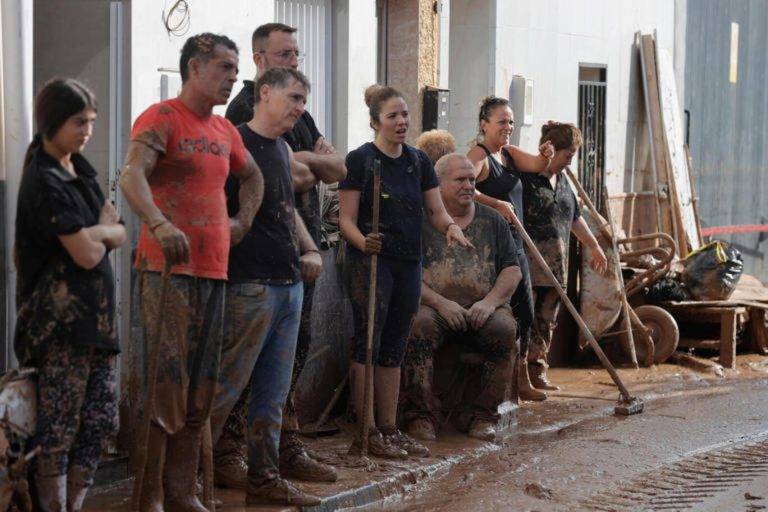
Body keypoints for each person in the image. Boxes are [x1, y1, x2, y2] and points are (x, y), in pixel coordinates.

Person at [119, 33, 264, 512]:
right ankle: (151, 496)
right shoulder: (163, 117)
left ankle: (182, 493)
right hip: (166, 274)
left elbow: (253, 176)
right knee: (165, 385)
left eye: (234, 68)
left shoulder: (226, 131)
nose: (232, 77)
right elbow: (131, 174)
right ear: (195, 68)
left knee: (201, 389)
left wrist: (242, 220)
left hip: (214, 273)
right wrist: (158, 223)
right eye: (224, 67)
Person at [220, 22, 345, 485]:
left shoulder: (296, 115)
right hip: (253, 263)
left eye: (297, 54)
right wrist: (310, 162)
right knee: (242, 364)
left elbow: (334, 168)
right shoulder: (242, 114)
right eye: (286, 54)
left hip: (299, 255)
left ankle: (278, 451)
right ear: (261, 65)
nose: (295, 61)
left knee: (291, 358)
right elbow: (286, 179)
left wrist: (308, 164)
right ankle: (227, 453)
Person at [339, 85, 473, 458]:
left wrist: (451, 228)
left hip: (407, 263)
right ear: (374, 122)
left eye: (405, 115)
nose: (401, 122)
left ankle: (388, 427)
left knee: (395, 343)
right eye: (392, 116)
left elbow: (435, 211)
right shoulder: (360, 161)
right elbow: (345, 219)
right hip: (371, 263)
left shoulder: (418, 162)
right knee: (369, 341)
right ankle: (364, 431)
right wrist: (362, 241)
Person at [210, 67, 322, 507]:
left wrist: (310, 249)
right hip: (248, 286)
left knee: (273, 396)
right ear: (265, 92)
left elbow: (285, 206)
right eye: (293, 98)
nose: (299, 108)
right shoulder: (232, 140)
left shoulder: (279, 148)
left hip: (288, 284)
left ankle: (264, 478)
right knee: (222, 392)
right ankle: (184, 483)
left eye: (303, 101)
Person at [13, 78, 126, 512]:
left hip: (96, 326)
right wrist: (101, 232)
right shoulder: (43, 178)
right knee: (59, 429)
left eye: (92, 122)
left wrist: (98, 233)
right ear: (53, 122)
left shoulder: (82, 171)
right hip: (59, 325)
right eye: (79, 122)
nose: (87, 131)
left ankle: (74, 505)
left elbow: (113, 231)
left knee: (100, 421)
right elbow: (85, 253)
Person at [402, 153, 522, 442]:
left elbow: (512, 269)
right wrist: (441, 303)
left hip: (484, 307)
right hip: (434, 306)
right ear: (438, 184)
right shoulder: (420, 221)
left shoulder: (492, 220)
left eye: (471, 179)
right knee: (418, 327)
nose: (469, 185)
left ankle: (481, 415)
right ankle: (422, 415)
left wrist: (489, 302)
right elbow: (407, 276)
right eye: (460, 180)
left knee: (504, 330)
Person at [466, 96, 554, 401]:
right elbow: (465, 187)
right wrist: (496, 204)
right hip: (493, 247)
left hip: (517, 240)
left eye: (511, 121)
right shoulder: (479, 155)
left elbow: (541, 164)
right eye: (502, 121)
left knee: (525, 313)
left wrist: (547, 152)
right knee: (513, 311)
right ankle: (508, 383)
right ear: (484, 124)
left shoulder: (510, 155)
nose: (508, 127)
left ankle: (520, 378)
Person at [522, 121, 608, 390]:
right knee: (525, 320)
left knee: (547, 322)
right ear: (551, 150)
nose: (569, 162)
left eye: (572, 156)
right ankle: (519, 375)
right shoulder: (527, 181)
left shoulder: (563, 184)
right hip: (528, 267)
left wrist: (594, 245)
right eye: (567, 155)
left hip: (556, 269)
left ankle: (537, 370)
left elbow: (574, 219)